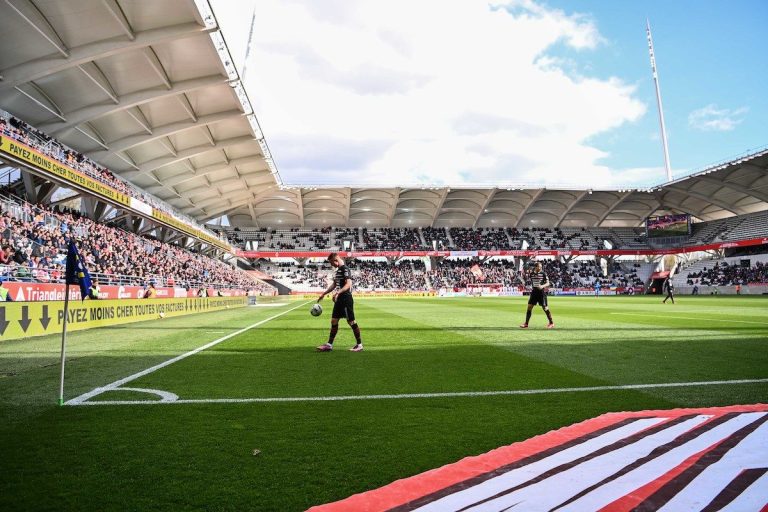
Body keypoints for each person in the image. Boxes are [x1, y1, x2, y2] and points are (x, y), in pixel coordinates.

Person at [316, 253, 363, 352]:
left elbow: (348, 284)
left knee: (351, 321)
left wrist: (338, 292)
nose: (331, 265)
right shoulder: (338, 271)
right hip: (339, 299)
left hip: (346, 298)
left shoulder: (345, 269)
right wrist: (324, 294)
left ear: (335, 260)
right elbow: (334, 284)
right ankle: (329, 345)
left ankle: (359, 345)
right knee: (334, 321)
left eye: (331, 262)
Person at [520, 261, 555, 329]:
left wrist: (542, 286)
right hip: (534, 292)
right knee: (529, 307)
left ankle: (551, 323)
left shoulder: (543, 273)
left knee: (545, 308)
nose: (541, 267)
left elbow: (548, 283)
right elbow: (526, 273)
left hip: (541, 292)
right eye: (539, 266)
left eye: (541, 266)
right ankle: (526, 324)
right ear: (536, 267)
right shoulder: (532, 273)